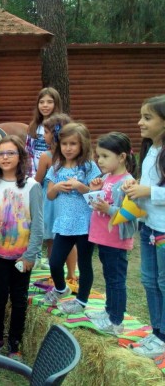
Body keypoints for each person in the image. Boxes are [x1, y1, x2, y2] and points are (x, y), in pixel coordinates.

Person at [0, 136, 42, 361]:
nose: (5, 157)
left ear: (21, 157)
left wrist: (30, 255)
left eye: (11, 153)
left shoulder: (31, 186)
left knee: (19, 300)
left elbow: (38, 224)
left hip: (21, 257)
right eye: (1, 154)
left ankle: (14, 344)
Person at [42, 123, 101, 311]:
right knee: (55, 262)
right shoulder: (56, 168)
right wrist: (57, 187)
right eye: (64, 144)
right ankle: (61, 289)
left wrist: (79, 186)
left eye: (73, 144)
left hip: (85, 224)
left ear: (82, 144)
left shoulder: (89, 167)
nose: (68, 148)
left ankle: (82, 301)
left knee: (84, 264)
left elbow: (95, 195)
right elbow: (49, 195)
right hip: (64, 224)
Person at [125, 95, 165, 358]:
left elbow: (154, 189)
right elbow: (149, 183)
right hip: (148, 227)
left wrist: (148, 191)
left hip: (163, 229)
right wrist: (135, 185)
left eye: (147, 118)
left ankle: (162, 337)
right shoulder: (150, 149)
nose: (140, 122)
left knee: (163, 282)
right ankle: (157, 332)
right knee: (150, 281)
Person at [86, 132, 137, 335]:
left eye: (105, 156)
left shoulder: (128, 182)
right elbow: (99, 202)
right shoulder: (106, 178)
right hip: (104, 238)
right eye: (98, 156)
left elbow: (130, 214)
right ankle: (108, 311)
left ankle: (116, 321)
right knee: (109, 276)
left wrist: (108, 209)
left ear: (122, 157)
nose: (100, 160)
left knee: (116, 280)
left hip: (116, 240)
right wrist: (94, 191)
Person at [35, 113, 78, 281]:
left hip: (50, 202)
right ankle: (71, 273)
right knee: (68, 239)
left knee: (52, 240)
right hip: (68, 200)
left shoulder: (46, 156)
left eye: (46, 132)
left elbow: (38, 180)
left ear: (55, 134)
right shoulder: (75, 158)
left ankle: (56, 275)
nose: (43, 136)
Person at [26, 87, 62, 177]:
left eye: (49, 102)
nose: (45, 105)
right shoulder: (34, 126)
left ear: (56, 104)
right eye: (41, 102)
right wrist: (31, 175)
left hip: (55, 173)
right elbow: (28, 152)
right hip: (35, 174)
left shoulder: (60, 126)